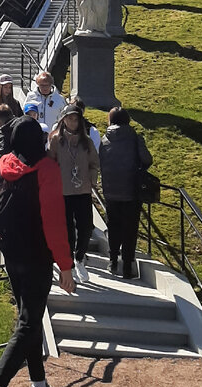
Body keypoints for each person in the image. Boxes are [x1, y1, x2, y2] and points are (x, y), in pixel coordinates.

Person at [0, 117, 74, 387]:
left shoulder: (2, 165)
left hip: (12, 254)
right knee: (30, 322)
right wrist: (66, 265)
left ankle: (39, 385)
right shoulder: (46, 170)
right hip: (38, 255)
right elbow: (54, 221)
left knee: (28, 318)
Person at [99, 107, 153, 279]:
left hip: (110, 191)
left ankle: (113, 260)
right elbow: (147, 159)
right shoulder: (135, 138)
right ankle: (128, 266)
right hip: (131, 190)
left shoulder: (104, 139)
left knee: (113, 227)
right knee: (130, 229)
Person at [49, 105, 100, 284]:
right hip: (63, 191)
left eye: (76, 119)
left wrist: (91, 179)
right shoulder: (56, 139)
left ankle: (80, 257)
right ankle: (69, 260)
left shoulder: (86, 141)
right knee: (68, 229)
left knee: (85, 227)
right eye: (69, 118)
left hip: (83, 190)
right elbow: (51, 162)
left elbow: (94, 162)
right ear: (63, 120)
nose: (73, 122)